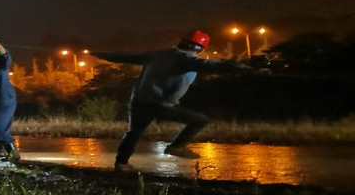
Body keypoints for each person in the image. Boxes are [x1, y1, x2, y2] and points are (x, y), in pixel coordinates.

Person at [94, 30, 257, 172]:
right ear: (200, 48)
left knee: (133, 133)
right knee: (200, 120)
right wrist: (245, 69)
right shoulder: (187, 59)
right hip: (161, 105)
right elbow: (214, 66)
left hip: (139, 102)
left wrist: (99, 54)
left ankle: (121, 164)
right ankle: (176, 146)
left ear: (181, 42)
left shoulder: (157, 54)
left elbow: (125, 56)